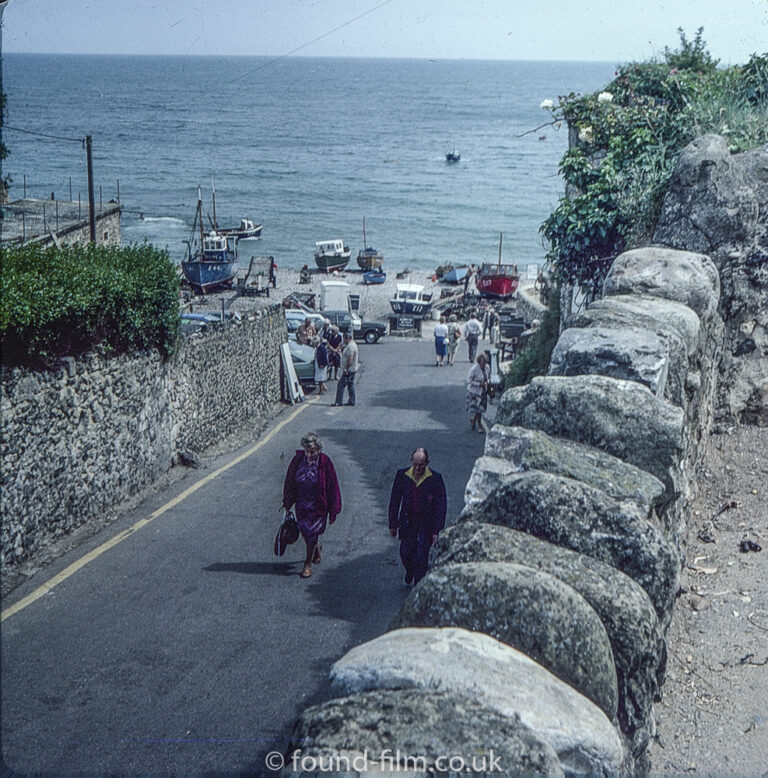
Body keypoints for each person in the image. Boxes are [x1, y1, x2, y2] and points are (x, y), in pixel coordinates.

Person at [282, 432, 342, 579]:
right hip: (302, 504)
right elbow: (289, 481)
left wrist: (333, 510)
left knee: (311, 533)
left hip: (318, 506)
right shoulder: (297, 460)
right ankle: (315, 548)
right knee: (305, 532)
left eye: (313, 452)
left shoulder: (325, 462)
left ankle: (307, 564)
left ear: (319, 450)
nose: (309, 455)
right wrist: (287, 503)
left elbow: (333, 486)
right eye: (307, 451)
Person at [388, 447, 447, 586]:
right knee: (405, 553)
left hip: (426, 524)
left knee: (421, 556)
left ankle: (418, 586)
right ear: (411, 461)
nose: (417, 468)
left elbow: (441, 506)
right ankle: (410, 570)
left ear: (427, 463)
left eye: (421, 465)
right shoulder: (402, 475)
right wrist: (392, 524)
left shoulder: (435, 478)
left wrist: (437, 531)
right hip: (407, 523)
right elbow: (395, 500)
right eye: (415, 464)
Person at [333, 331, 359, 406]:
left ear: (347, 338)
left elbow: (350, 359)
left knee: (341, 385)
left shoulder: (351, 347)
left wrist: (346, 369)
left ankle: (338, 401)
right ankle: (352, 401)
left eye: (344, 339)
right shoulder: (350, 345)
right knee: (350, 385)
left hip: (349, 370)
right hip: (351, 369)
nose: (343, 341)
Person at [466, 353, 491, 433]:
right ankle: (479, 425)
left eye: (485, 362)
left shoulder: (487, 367)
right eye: (483, 362)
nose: (484, 364)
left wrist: (487, 382)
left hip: (483, 392)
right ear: (479, 361)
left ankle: (473, 420)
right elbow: (469, 381)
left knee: (481, 409)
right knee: (478, 410)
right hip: (474, 392)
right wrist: (479, 384)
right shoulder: (474, 369)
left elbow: (489, 377)